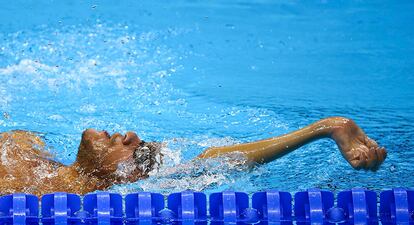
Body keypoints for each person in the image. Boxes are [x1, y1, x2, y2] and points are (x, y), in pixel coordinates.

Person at [0, 117, 386, 196]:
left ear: (123, 175)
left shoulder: (40, 193)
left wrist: (326, 128)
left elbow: (219, 160)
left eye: (136, 149)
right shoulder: (31, 149)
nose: (131, 135)